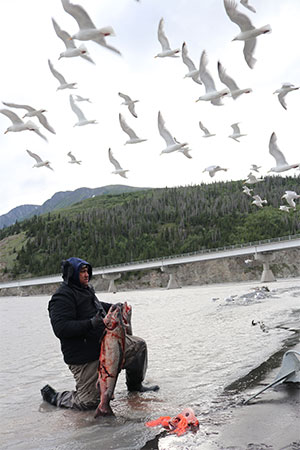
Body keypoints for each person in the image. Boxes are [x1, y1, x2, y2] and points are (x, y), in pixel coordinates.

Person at [41, 257, 159, 411]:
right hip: (84, 358)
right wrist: (92, 323)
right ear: (72, 274)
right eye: (82, 272)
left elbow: (97, 306)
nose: (86, 275)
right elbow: (61, 328)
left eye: (87, 271)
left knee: (139, 346)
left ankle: (135, 387)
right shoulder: (61, 298)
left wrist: (116, 307)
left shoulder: (86, 290)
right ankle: (57, 397)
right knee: (90, 403)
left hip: (106, 348)